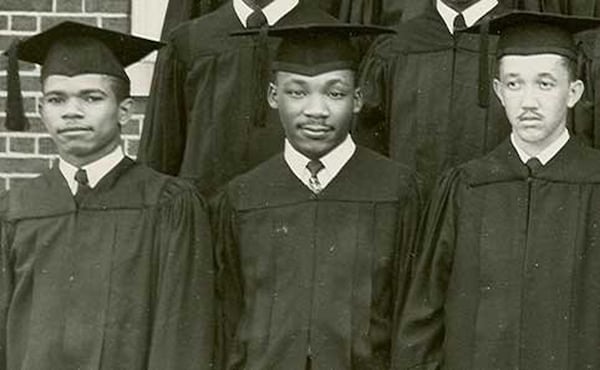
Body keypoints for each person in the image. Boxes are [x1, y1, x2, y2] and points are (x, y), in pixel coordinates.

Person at [211, 10, 421, 369]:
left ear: (357, 99)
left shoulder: (398, 190)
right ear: (274, 96)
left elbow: (412, 313)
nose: (316, 110)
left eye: (335, 93)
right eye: (297, 92)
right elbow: (227, 317)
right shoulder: (242, 197)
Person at [0, 22, 214, 369]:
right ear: (42, 111)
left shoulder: (168, 204)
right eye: (57, 99)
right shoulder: (15, 210)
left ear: (125, 111)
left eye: (91, 97)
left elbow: (181, 336)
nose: (71, 111)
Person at [397, 11, 600, 369]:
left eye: (545, 84)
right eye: (514, 84)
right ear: (497, 92)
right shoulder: (466, 185)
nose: (528, 102)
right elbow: (423, 318)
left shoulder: (595, 183)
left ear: (574, 92)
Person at [356, 0, 512, 197]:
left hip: (498, 215)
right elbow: (366, 145)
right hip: (409, 218)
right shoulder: (395, 46)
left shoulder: (523, 42)